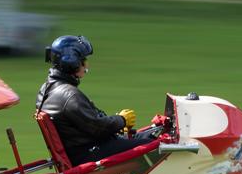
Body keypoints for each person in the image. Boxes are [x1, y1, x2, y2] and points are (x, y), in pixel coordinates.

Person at [34, 35, 156, 166]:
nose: (86, 64)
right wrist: (122, 120)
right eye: (83, 60)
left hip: (81, 150)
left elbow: (88, 124)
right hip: (88, 153)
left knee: (148, 136)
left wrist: (116, 125)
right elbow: (98, 128)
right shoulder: (69, 95)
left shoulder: (46, 89)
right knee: (153, 146)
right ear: (73, 63)